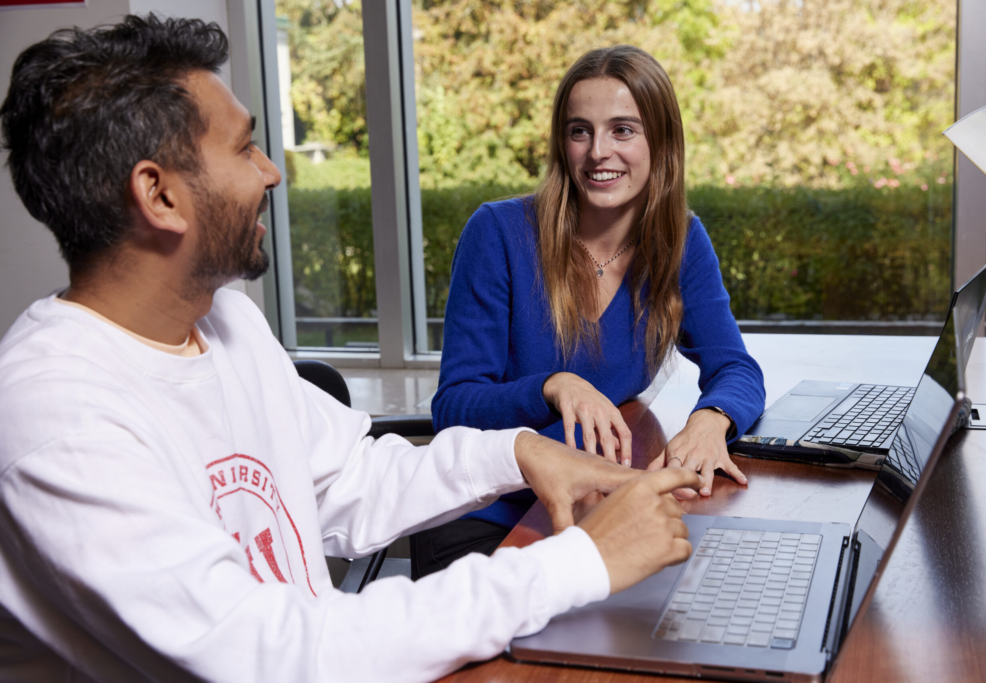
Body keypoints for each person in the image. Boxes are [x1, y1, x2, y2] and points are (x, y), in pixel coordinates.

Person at [0, 16, 702, 682]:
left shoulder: (228, 327)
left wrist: (518, 451)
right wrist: (581, 561)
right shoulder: (55, 418)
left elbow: (350, 477)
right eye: (245, 147)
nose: (272, 173)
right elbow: (279, 658)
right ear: (159, 194)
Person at [417, 46, 766, 578]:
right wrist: (552, 386)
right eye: (580, 131)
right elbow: (454, 409)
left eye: (623, 130)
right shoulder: (498, 233)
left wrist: (711, 420)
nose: (598, 151)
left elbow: (736, 368)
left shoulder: (680, 241)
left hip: (597, 506)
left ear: (661, 142)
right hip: (490, 511)